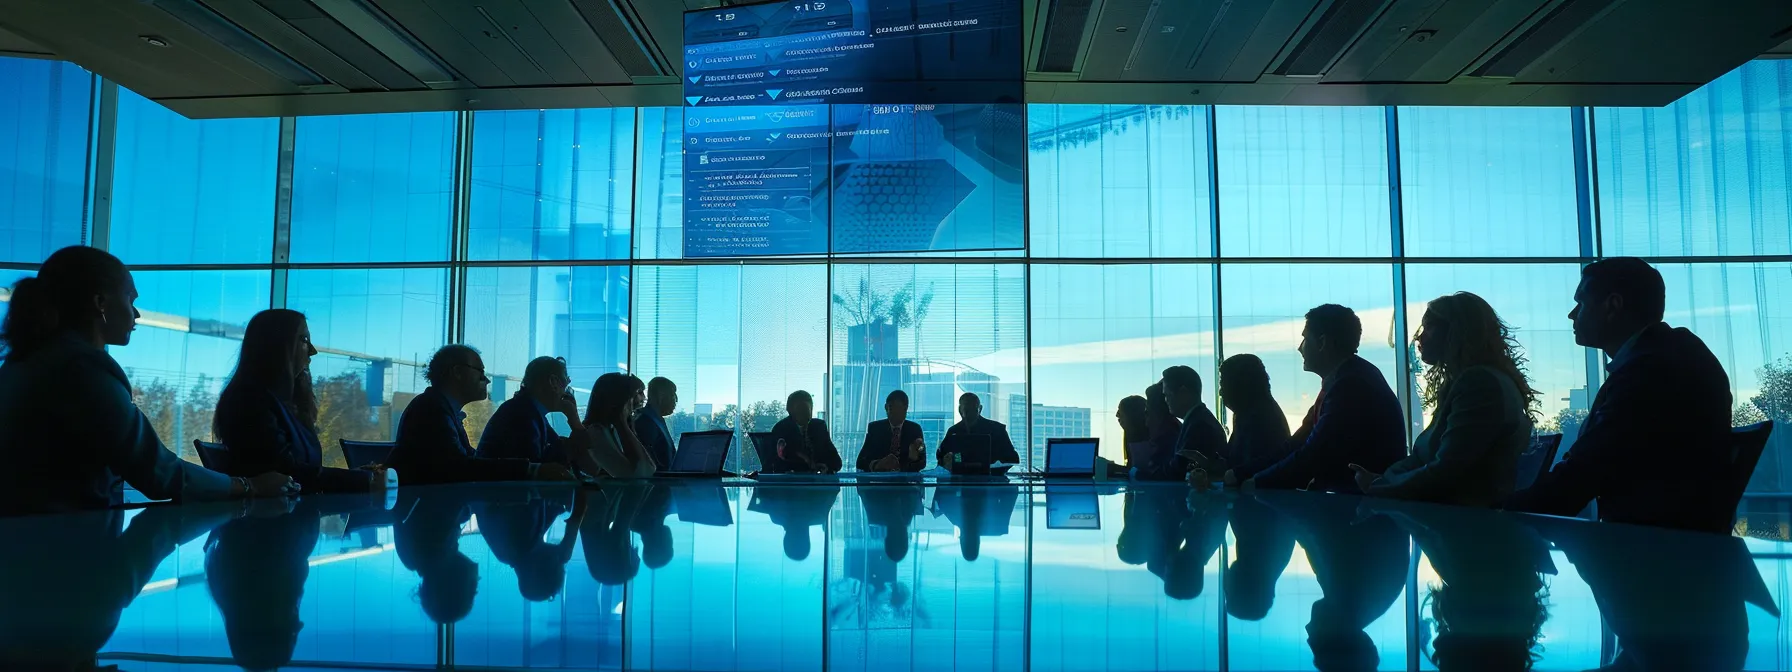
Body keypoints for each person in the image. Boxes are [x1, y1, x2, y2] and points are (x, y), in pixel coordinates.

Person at [0, 246, 295, 514]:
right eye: (130, 299)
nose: (136, 313)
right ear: (100, 303)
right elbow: (159, 473)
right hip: (60, 552)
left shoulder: (25, 363)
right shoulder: (81, 371)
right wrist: (249, 486)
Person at [1506, 258, 1734, 533]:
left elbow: (1583, 476)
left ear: (1612, 306)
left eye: (1581, 302)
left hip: (1653, 551)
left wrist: (1495, 510)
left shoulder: (1649, 370)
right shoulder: (1673, 354)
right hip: (1675, 547)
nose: (1572, 314)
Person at [1353, 293, 1537, 507]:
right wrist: (1384, 482)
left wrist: (1380, 486)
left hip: (1464, 524)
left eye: (1429, 327)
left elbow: (1448, 469)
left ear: (1457, 332)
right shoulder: (1476, 381)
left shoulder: (1478, 383)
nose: (1419, 338)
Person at [1230, 304, 1406, 493]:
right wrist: (1239, 475)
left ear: (1322, 343)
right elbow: (1297, 446)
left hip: (1359, 510)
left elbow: (1312, 456)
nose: (1300, 348)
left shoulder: (1349, 386)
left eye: (1305, 338)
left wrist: (1254, 483)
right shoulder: (1349, 379)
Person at [215, 308, 383, 494]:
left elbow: (301, 472)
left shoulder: (280, 404)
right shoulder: (248, 401)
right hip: (271, 519)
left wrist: (356, 477)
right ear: (277, 345)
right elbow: (287, 473)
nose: (312, 351)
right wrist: (361, 480)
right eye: (304, 340)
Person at [390, 345, 574, 485]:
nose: (486, 379)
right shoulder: (431, 410)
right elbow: (460, 468)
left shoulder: (439, 409)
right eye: (480, 372)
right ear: (458, 372)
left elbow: (467, 463)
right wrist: (532, 470)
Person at [476, 356, 590, 466]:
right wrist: (574, 420)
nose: (567, 388)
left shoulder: (528, 410)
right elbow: (541, 466)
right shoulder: (524, 416)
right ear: (553, 382)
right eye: (566, 379)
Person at [1144, 365, 1224, 481]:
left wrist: (1140, 474)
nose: (1166, 401)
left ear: (1183, 393)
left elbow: (1178, 469)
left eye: (1167, 395)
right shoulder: (1198, 420)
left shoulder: (1199, 426)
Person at [1217, 354, 1291, 476]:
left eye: (1223, 384)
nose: (1220, 392)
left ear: (1240, 384)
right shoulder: (1251, 412)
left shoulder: (1257, 419)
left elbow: (1246, 468)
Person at [583, 372, 658, 478]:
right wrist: (622, 423)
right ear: (621, 398)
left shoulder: (611, 429)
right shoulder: (596, 433)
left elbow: (648, 469)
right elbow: (639, 473)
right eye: (639, 392)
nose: (644, 398)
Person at [768, 390, 843, 473]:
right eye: (801, 408)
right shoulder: (781, 429)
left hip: (816, 482)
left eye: (809, 408)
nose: (806, 412)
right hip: (791, 483)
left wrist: (825, 467)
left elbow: (836, 463)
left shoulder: (819, 426)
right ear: (789, 410)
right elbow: (778, 464)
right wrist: (811, 465)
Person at [937, 392, 1020, 467]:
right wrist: (949, 460)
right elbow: (942, 457)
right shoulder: (953, 432)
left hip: (990, 479)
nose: (970, 414)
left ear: (980, 409)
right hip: (963, 479)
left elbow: (1013, 459)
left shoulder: (997, 430)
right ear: (960, 410)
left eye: (972, 409)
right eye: (967, 410)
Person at [856, 390, 926, 472]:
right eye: (891, 408)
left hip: (906, 481)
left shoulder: (914, 429)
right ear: (886, 408)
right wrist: (878, 464)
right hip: (881, 480)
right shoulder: (875, 428)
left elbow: (922, 461)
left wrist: (914, 458)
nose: (895, 413)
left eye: (899, 409)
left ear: (906, 408)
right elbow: (860, 462)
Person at [633, 376, 678, 469]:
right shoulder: (646, 422)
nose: (676, 400)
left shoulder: (655, 419)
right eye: (673, 395)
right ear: (661, 395)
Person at [1116, 395, 1150, 467]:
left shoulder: (1143, 442)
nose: (1117, 415)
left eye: (1120, 410)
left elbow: (1139, 471)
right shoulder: (1132, 433)